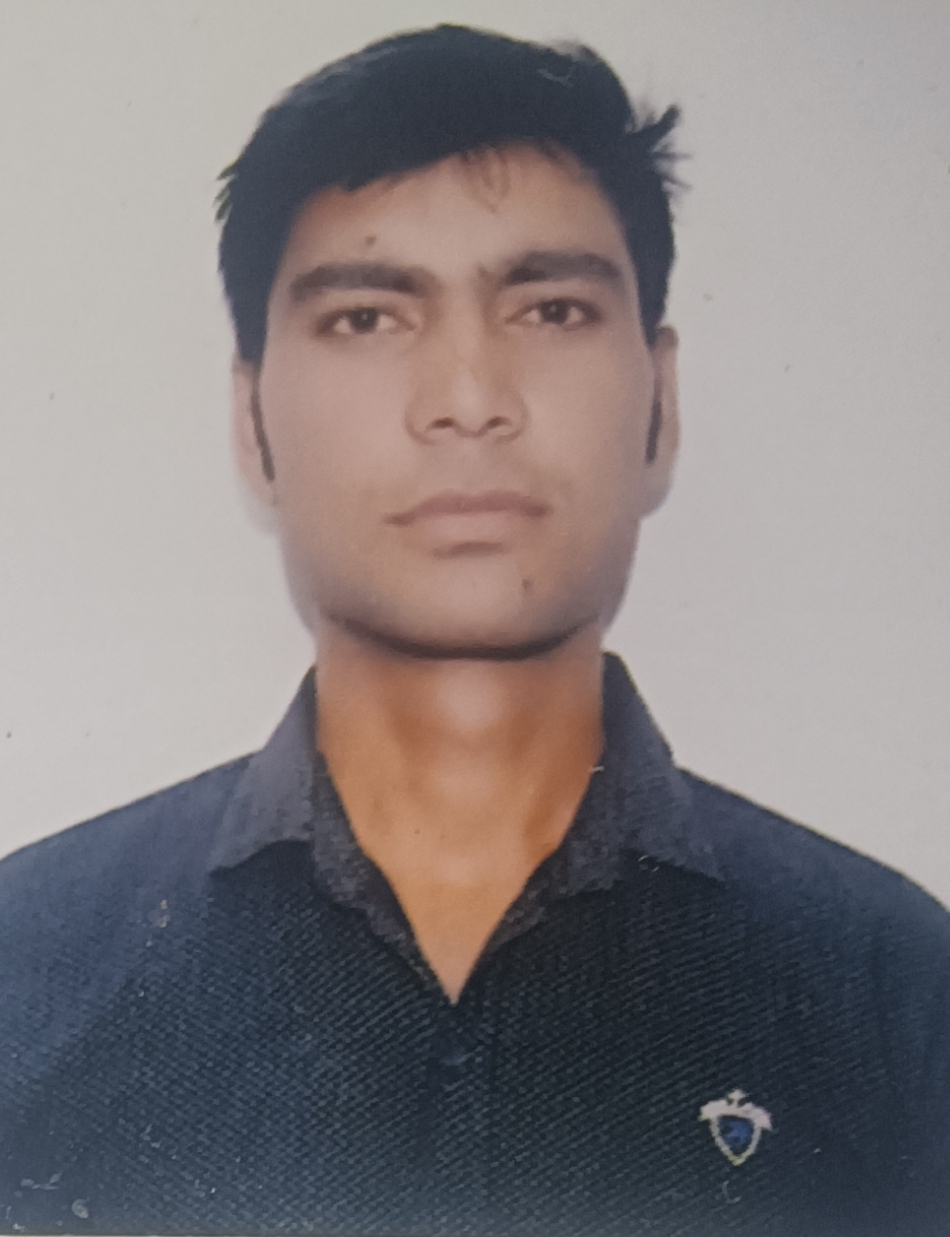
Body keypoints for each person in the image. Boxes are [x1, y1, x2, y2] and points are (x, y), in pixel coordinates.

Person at [1, 23, 947, 1237]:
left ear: (659, 404)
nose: (466, 399)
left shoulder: (886, 992)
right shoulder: (30, 972)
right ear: (252, 423)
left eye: (549, 309)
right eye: (366, 318)